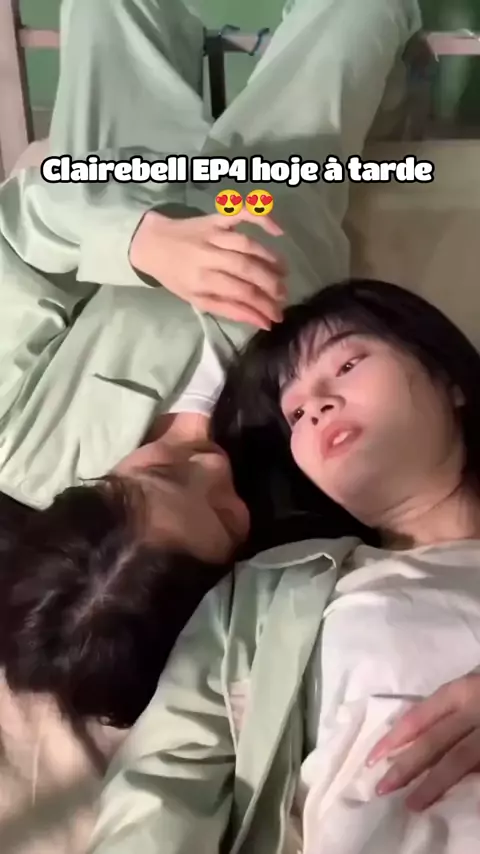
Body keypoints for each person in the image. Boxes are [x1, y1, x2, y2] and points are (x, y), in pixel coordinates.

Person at [0, 0, 421, 725]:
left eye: (162, 473)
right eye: (226, 518)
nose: (211, 467)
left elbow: (20, 228)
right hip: (282, 186)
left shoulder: (18, 440)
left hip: (126, 184)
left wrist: (139, 243)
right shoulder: (309, 491)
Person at [85, 278, 480, 854]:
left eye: (347, 365)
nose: (315, 404)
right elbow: (161, 788)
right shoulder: (260, 601)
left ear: (449, 380)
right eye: (295, 412)